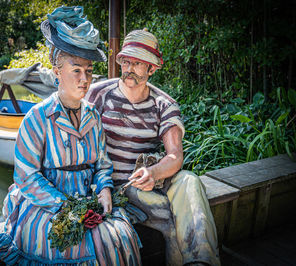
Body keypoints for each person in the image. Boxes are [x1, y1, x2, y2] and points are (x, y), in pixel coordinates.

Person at [0, 6, 142, 266]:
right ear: (57, 72)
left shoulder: (93, 116)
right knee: (75, 243)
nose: (85, 79)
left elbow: (102, 165)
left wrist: (104, 190)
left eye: (88, 70)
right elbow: (26, 177)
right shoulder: (37, 118)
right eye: (76, 70)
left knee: (120, 234)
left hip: (88, 198)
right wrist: (67, 206)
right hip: (46, 205)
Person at [86, 29, 221, 266]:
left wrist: (154, 172)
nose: (129, 68)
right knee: (171, 217)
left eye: (138, 63)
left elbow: (175, 156)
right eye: (126, 61)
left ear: (152, 68)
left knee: (189, 180)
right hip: (115, 186)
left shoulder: (164, 104)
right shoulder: (98, 94)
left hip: (151, 180)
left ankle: (202, 262)